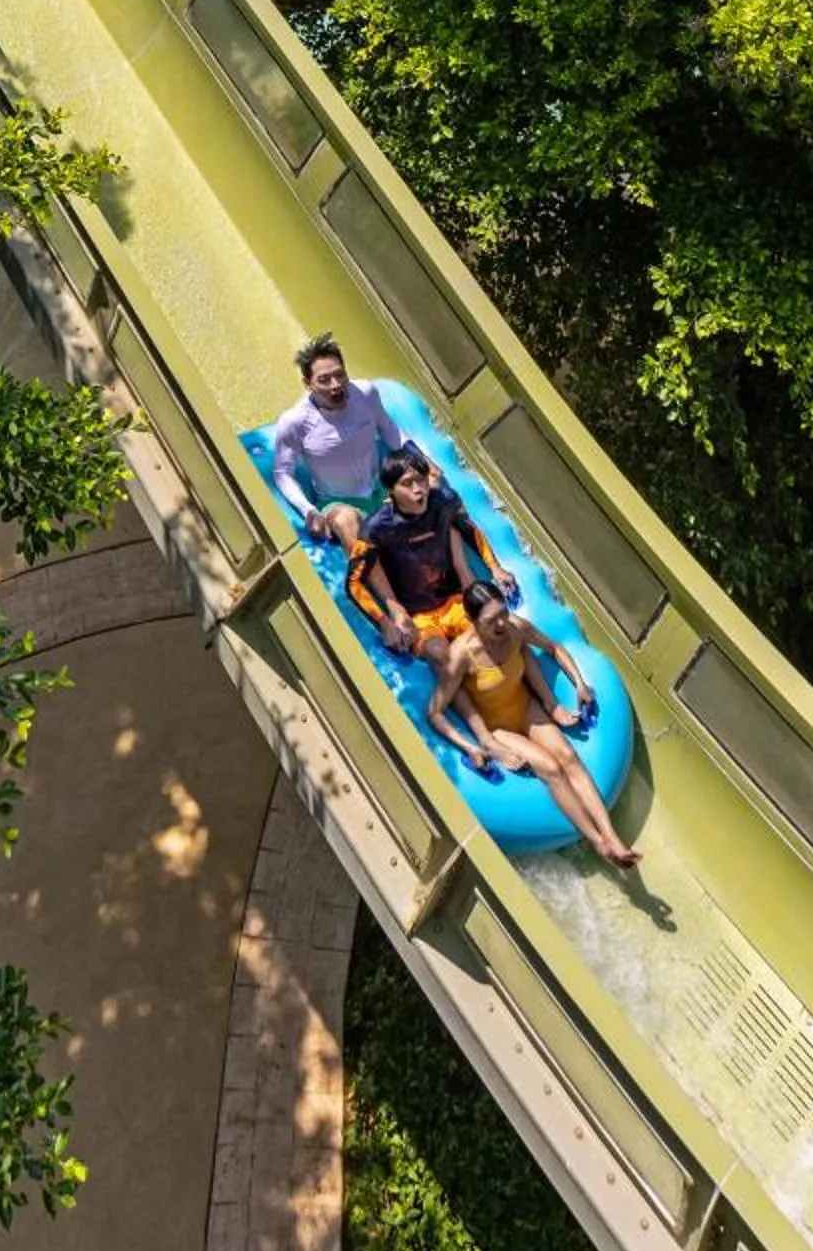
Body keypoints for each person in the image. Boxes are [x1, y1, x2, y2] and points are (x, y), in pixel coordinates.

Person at [428, 581, 640, 868]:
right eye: (491, 621)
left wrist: (579, 684)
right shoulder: (461, 656)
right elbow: (436, 712)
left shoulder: (516, 629)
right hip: (497, 727)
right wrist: (473, 746)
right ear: (472, 622)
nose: (501, 623)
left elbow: (554, 648)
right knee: (551, 768)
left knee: (569, 758)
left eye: (503, 612)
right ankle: (599, 843)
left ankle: (612, 836)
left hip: (526, 708)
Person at [270, 337, 423, 548]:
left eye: (340, 375)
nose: (336, 385)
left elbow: (388, 428)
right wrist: (309, 511)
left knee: (432, 491)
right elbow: (282, 473)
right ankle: (366, 576)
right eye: (324, 380)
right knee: (346, 521)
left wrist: (421, 461)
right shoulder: (294, 422)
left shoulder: (366, 393)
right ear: (308, 384)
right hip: (338, 502)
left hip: (380, 488)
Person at [347, 451, 499, 655]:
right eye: (408, 483)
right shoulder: (375, 529)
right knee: (440, 654)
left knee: (487, 641)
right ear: (391, 490)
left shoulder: (445, 501)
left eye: (422, 479)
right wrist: (385, 623)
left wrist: (495, 568)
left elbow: (468, 529)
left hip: (455, 603)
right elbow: (353, 582)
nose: (418, 489)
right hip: (418, 617)